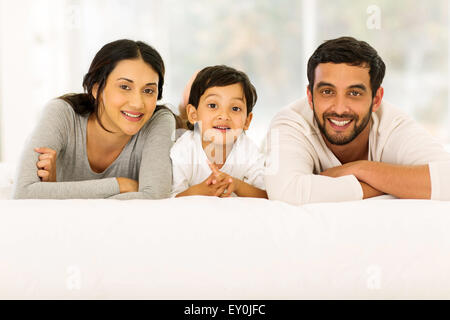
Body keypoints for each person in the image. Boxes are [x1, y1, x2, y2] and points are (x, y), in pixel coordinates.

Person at [265, 36, 450, 205]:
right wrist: (387, 184)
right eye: (327, 92)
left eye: (354, 93)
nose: (339, 108)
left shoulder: (392, 124)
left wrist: (363, 169)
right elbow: (287, 192)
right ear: (310, 97)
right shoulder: (289, 122)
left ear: (376, 99)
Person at [13, 39, 176, 199]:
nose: (137, 103)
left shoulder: (159, 120)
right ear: (97, 89)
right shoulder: (62, 114)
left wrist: (54, 192)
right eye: (125, 87)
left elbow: (155, 197)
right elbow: (23, 192)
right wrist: (120, 185)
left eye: (148, 91)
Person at [171, 65, 267, 198]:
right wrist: (200, 190)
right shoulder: (184, 149)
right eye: (213, 106)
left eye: (235, 108)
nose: (224, 115)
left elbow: (266, 195)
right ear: (193, 114)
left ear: (247, 121)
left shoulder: (248, 149)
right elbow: (171, 199)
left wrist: (237, 185)